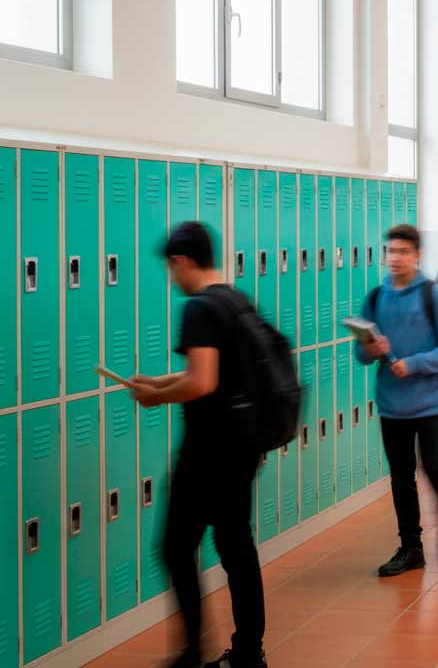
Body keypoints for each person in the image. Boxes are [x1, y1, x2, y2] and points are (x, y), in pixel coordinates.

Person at [130, 222, 267, 668]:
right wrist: (160, 380)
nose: (171, 277)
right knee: (236, 549)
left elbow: (203, 382)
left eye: (171, 267)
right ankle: (248, 653)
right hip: (243, 445)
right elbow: (214, 375)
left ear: (182, 261)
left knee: (174, 547)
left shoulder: (198, 309)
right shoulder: (235, 299)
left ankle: (192, 651)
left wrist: (157, 396)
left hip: (209, 452)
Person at [355, 224, 438, 577]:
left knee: (431, 467)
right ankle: (410, 547)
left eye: (403, 252)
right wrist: (370, 350)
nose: (395, 258)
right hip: (391, 403)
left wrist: (414, 364)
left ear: (417, 255)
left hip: (429, 401)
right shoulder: (375, 298)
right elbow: (360, 354)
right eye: (390, 251)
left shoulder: (435, 295)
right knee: (400, 477)